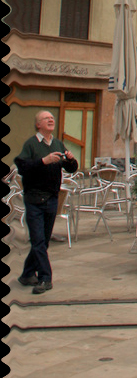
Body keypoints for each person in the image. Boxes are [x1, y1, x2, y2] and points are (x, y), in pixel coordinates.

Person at [14, 110, 78, 294]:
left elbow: (71, 168)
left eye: (52, 118)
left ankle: (27, 274)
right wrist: (43, 161)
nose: (51, 119)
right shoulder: (31, 144)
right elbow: (23, 167)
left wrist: (72, 161)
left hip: (51, 199)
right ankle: (45, 278)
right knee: (38, 241)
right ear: (38, 125)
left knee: (43, 242)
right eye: (46, 118)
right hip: (34, 199)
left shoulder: (57, 143)